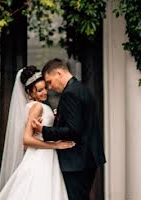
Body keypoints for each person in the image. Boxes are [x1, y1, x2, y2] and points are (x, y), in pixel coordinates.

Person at [0, 65, 75, 200]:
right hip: (41, 157)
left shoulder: (35, 106)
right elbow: (26, 140)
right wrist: (55, 145)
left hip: (44, 156)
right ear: (29, 92)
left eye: (45, 88)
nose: (45, 92)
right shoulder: (37, 107)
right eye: (39, 90)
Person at [32, 58, 106, 200]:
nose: (50, 87)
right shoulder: (81, 89)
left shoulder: (70, 93)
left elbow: (74, 131)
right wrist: (59, 118)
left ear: (59, 73)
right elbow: (80, 123)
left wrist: (43, 130)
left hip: (76, 161)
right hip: (86, 158)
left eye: (49, 82)